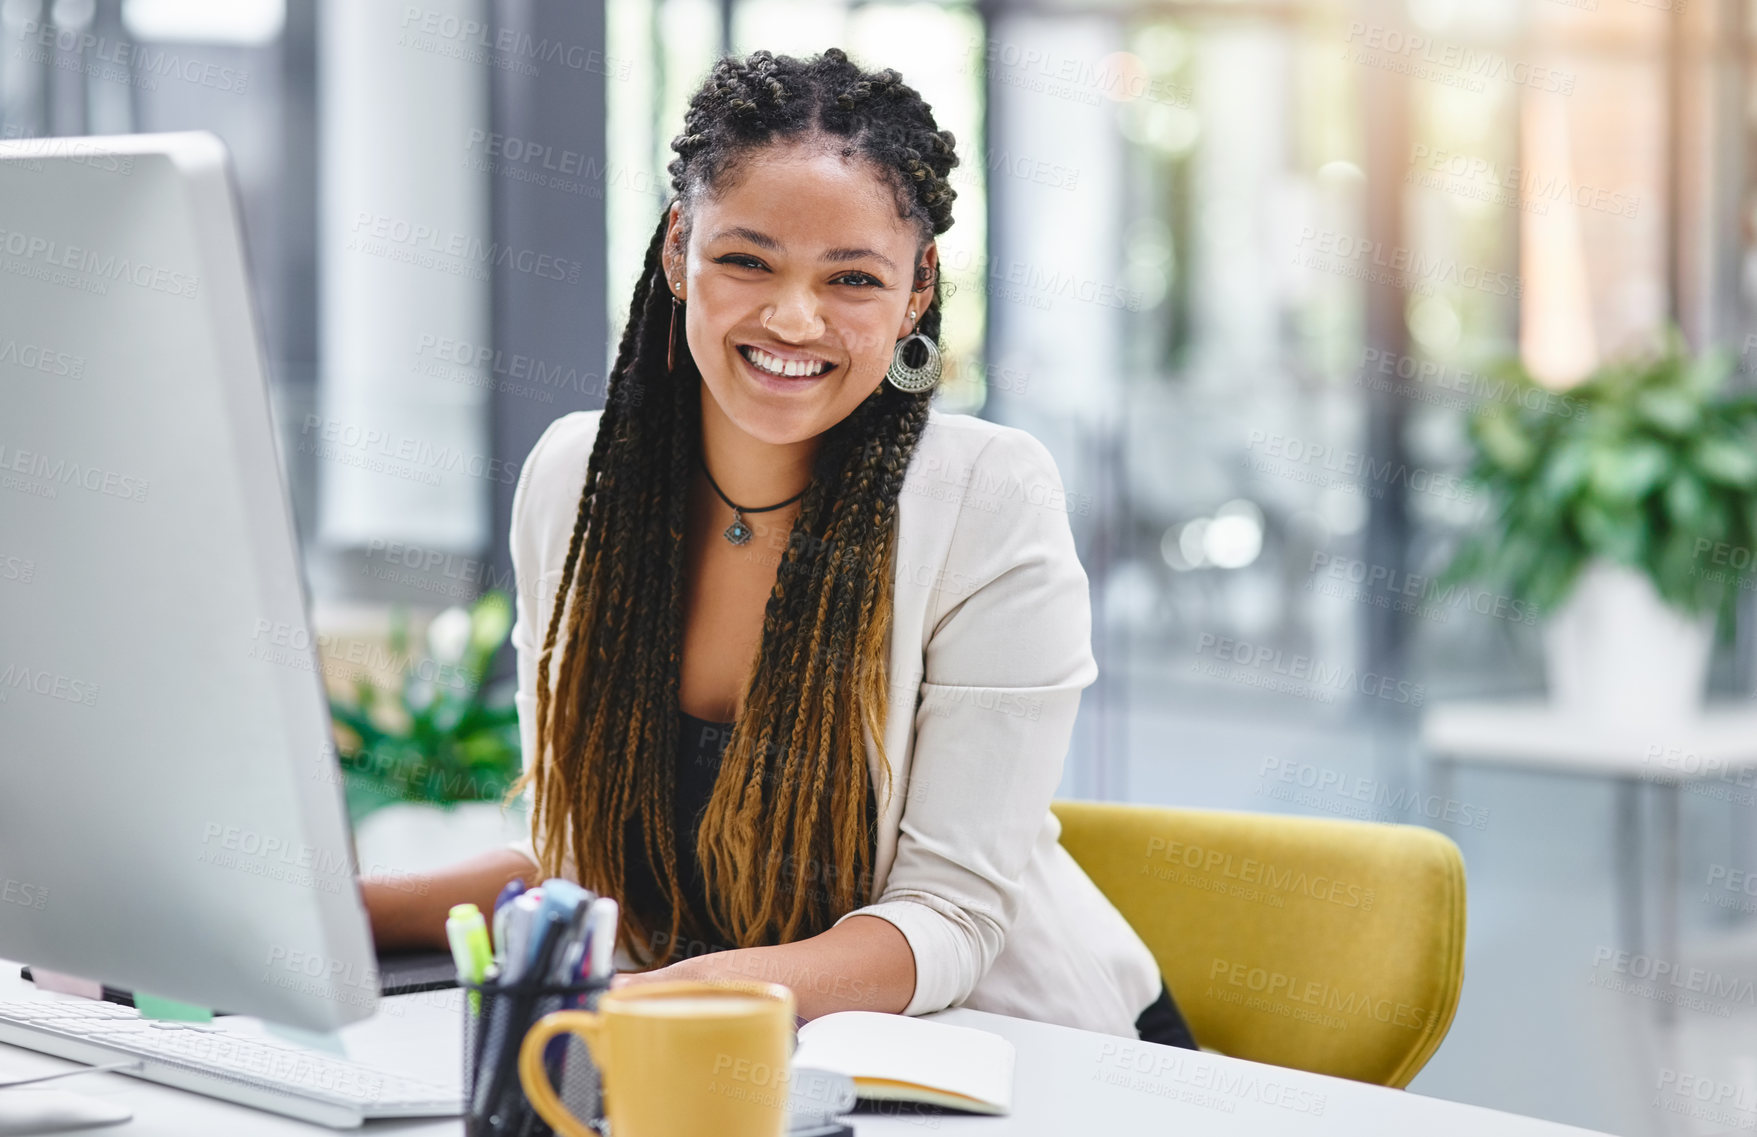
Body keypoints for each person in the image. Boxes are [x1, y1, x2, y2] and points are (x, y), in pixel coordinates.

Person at [363, 45, 1195, 1049]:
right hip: (719, 1047)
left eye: (851, 278)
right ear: (678, 250)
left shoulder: (987, 497)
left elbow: (950, 922)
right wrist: (336, 906)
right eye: (746, 260)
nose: (792, 319)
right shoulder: (572, 480)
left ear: (916, 291)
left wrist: (662, 1000)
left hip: (1000, 1050)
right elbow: (582, 867)